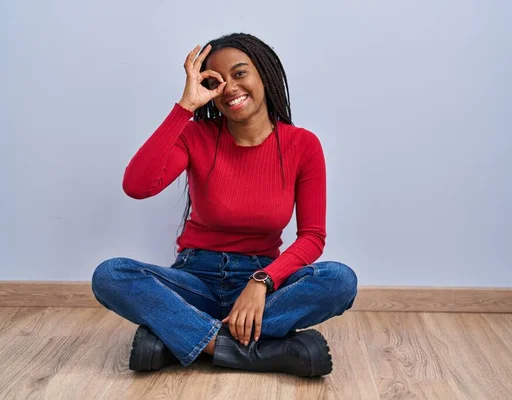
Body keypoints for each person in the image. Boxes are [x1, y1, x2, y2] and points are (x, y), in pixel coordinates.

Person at [91, 33, 358, 378]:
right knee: (110, 274)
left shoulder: (303, 145)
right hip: (194, 280)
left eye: (240, 73)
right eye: (216, 80)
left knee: (339, 280)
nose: (229, 88)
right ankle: (242, 349)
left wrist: (262, 281)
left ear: (264, 73)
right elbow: (137, 186)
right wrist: (184, 108)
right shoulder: (195, 135)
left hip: (262, 286)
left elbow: (312, 237)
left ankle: (182, 339)